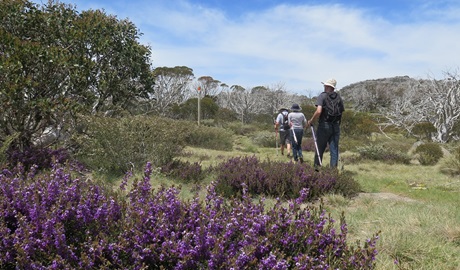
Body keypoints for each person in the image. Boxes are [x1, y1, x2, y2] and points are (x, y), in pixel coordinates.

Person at [307, 78, 345, 168]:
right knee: (334, 149)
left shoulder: (322, 96)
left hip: (324, 125)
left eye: (325, 85)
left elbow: (319, 111)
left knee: (319, 147)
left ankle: (317, 168)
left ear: (327, 86)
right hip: (335, 125)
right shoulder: (339, 97)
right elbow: (341, 112)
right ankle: (333, 171)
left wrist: (311, 120)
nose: (324, 86)